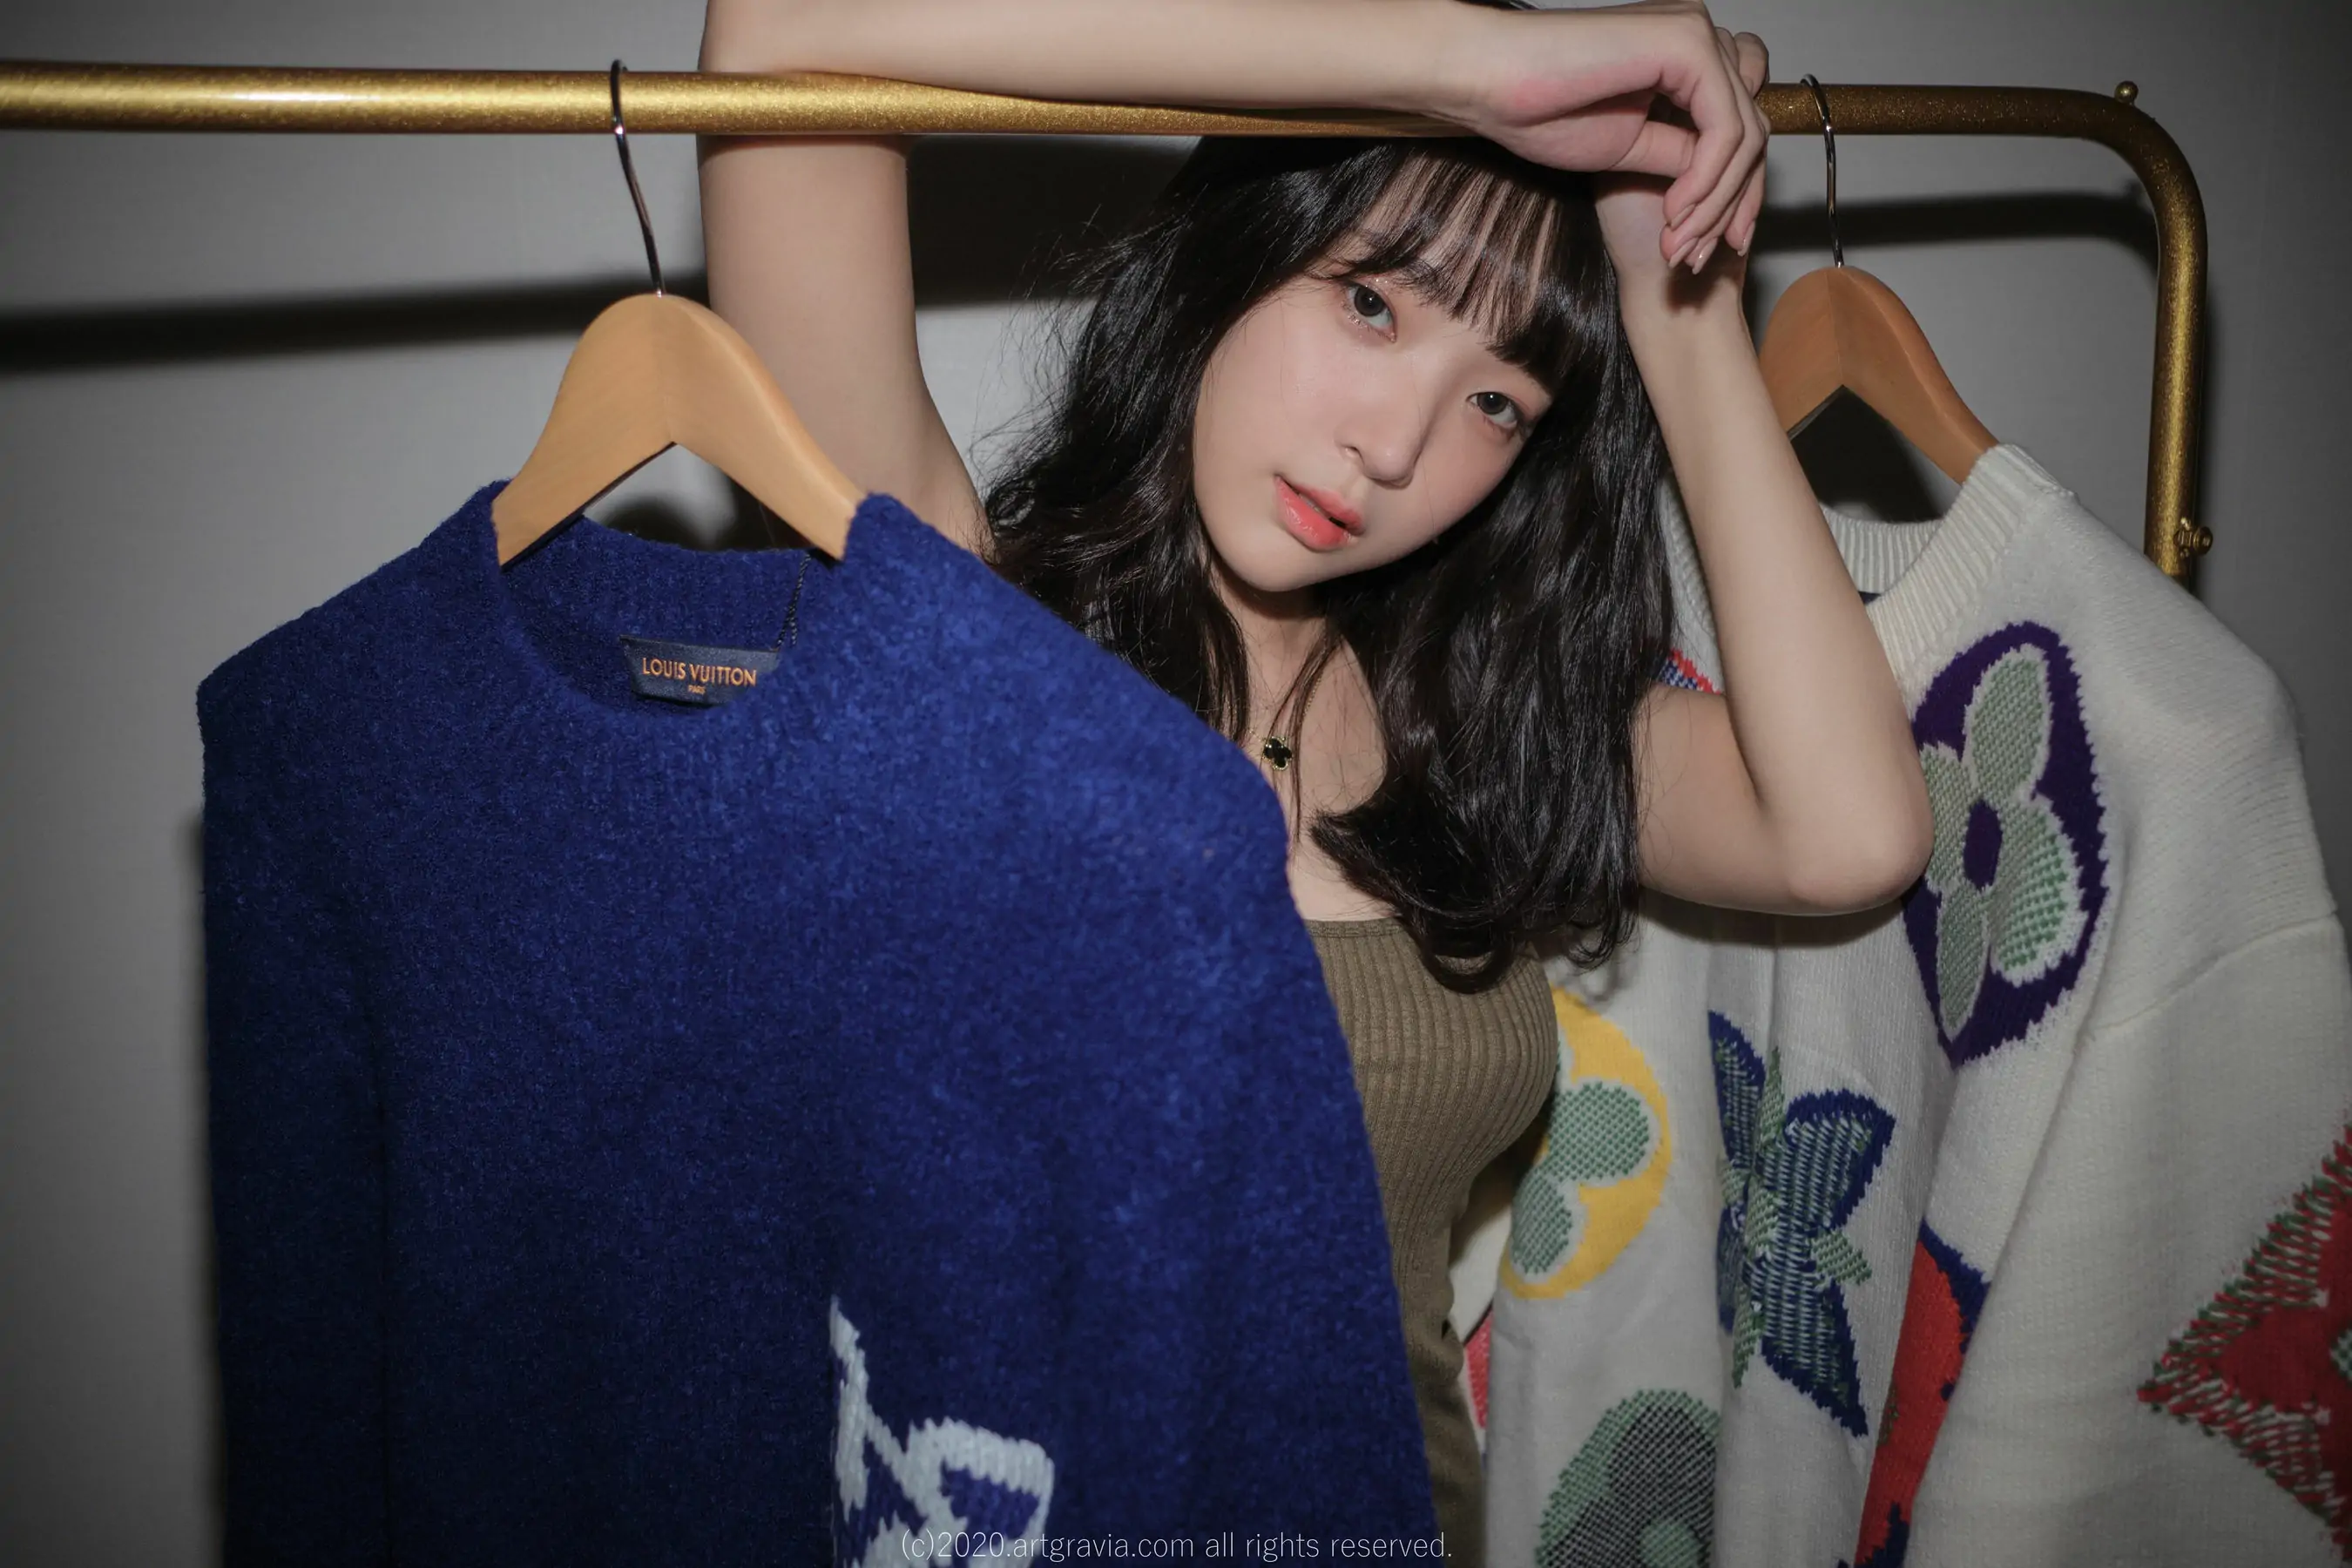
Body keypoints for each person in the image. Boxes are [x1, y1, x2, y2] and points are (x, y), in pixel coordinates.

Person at [696, 0, 1933, 1554]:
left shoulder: (1479, 735)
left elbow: (1847, 832)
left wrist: (1673, 291)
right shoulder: (967, 644)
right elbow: (787, 31)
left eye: (1500, 401)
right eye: (1370, 303)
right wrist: (1473, 70)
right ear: (1238, 252)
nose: (1398, 447)